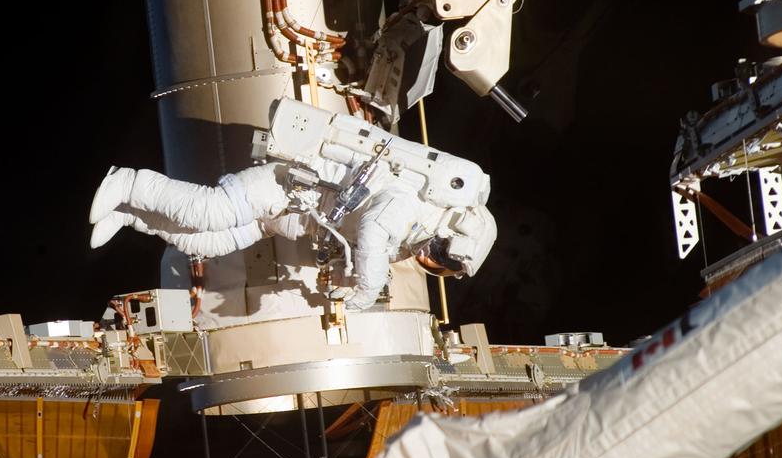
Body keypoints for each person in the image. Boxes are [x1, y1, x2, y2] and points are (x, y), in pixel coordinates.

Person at [88, 99, 497, 310]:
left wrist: (345, 278)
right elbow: (372, 229)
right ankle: (128, 182)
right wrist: (368, 289)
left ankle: (131, 215)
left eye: (440, 263)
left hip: (286, 218)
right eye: (441, 253)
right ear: (451, 227)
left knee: (202, 245)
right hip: (287, 186)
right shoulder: (411, 206)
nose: (431, 257)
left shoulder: (406, 240)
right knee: (210, 211)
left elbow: (351, 245)